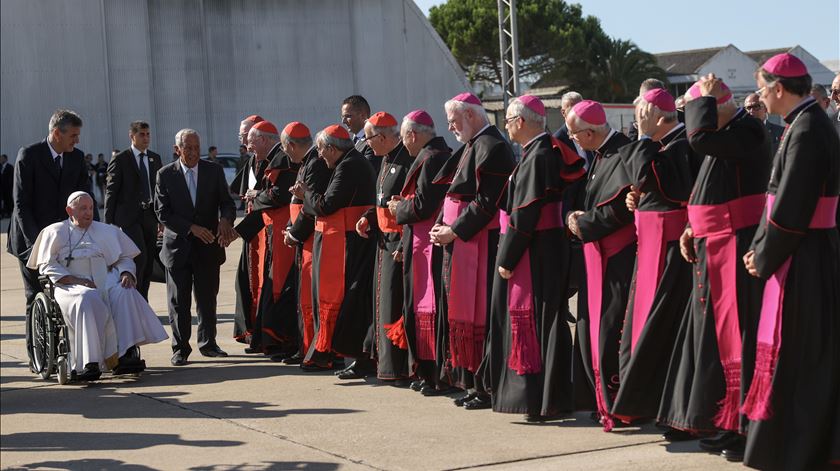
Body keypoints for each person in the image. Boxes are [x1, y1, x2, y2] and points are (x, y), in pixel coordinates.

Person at [657, 76, 769, 460]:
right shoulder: (727, 131)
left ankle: (738, 427)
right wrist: (692, 226)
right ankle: (721, 420)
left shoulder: (747, 129)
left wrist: (702, 99)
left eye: (696, 111)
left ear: (717, 106)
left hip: (735, 247)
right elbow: (709, 186)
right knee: (711, 340)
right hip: (711, 246)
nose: (692, 119)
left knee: (736, 336)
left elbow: (699, 141)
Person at [741, 53, 840, 471]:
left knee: (799, 355)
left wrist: (762, 255)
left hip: (804, 254)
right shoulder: (810, 122)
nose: (760, 96)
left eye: (762, 87)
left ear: (779, 89)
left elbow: (790, 209)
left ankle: (799, 450)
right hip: (810, 249)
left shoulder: (806, 129)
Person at [481, 95, 585, 421]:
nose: (506, 126)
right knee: (543, 323)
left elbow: (523, 216)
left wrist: (507, 258)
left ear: (521, 122)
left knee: (538, 324)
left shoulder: (539, 156)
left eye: (509, 120)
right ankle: (547, 399)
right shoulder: (536, 152)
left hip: (535, 249)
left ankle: (540, 401)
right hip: (541, 246)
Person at [612, 89, 702, 424]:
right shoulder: (663, 144)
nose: (638, 120)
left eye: (641, 114)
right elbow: (647, 181)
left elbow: (655, 177)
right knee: (641, 325)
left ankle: (665, 409)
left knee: (662, 330)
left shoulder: (682, 144)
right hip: (651, 247)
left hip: (672, 251)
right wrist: (638, 202)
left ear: (656, 115)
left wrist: (643, 136)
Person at [430, 92, 515, 410]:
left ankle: (485, 386)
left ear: (470, 115)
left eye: (453, 120)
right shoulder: (471, 144)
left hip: (481, 243)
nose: (450, 126)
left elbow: (487, 201)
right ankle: (471, 382)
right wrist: (442, 225)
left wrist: (454, 230)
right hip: (461, 243)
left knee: (480, 317)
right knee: (463, 314)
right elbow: (453, 193)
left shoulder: (493, 147)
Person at [27, 192, 167, 380]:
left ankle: (124, 354)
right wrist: (74, 280)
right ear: (70, 210)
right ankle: (88, 362)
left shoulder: (106, 231)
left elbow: (124, 257)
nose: (89, 212)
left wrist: (126, 272)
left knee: (125, 292)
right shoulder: (55, 231)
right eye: (83, 208)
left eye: (91, 208)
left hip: (105, 279)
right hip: (71, 284)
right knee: (88, 297)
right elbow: (47, 264)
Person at [7, 109, 97, 369]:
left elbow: (86, 200)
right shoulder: (30, 155)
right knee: (35, 295)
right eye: (73, 135)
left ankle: (69, 353)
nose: (76, 141)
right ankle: (37, 357)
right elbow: (21, 205)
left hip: (65, 240)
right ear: (57, 133)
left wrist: (92, 232)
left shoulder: (76, 158)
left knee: (65, 295)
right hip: (30, 240)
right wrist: (38, 244)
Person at [564, 100, 634, 431]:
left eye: (575, 134)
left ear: (590, 132)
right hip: (597, 254)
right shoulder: (601, 154)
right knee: (591, 325)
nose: (573, 139)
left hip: (618, 258)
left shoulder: (622, 154)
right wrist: (576, 217)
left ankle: (617, 401)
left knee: (610, 328)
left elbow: (620, 209)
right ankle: (596, 397)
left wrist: (583, 223)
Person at [292, 124, 376, 371]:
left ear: (331, 148)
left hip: (347, 241)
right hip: (344, 239)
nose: (319, 155)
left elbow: (327, 204)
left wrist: (306, 194)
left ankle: (340, 354)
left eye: (321, 149)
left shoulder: (349, 165)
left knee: (343, 299)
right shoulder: (349, 162)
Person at [155, 129, 237, 366]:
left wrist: (225, 220)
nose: (192, 153)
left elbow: (227, 203)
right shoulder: (165, 175)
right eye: (187, 148)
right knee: (179, 302)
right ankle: (180, 348)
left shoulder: (213, 171)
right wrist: (191, 228)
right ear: (177, 149)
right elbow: (162, 212)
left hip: (208, 246)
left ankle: (208, 344)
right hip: (178, 248)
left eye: (196, 148)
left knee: (207, 299)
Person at [388, 110, 452, 395]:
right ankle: (427, 372)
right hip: (421, 240)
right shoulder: (439, 153)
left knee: (428, 307)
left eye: (403, 138)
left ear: (413, 134)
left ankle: (434, 374)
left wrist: (397, 209)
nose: (403, 144)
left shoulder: (430, 158)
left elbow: (424, 205)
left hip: (428, 243)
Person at [353, 111, 413, 382]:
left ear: (385, 137)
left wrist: (402, 242)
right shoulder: (384, 159)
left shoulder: (406, 161)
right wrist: (368, 217)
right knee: (380, 303)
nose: (367, 144)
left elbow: (409, 205)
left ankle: (398, 366)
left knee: (393, 303)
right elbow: (380, 200)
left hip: (397, 243)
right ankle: (382, 363)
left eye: (369, 138)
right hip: (382, 243)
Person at [233, 120, 299, 358]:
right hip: (267, 231)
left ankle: (280, 340)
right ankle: (265, 338)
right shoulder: (260, 159)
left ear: (264, 139)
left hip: (281, 232)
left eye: (250, 140)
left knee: (278, 286)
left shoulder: (281, 159)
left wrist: (257, 195)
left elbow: (279, 195)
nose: (247, 146)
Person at [282, 121, 332, 365]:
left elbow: (310, 207)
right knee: (304, 297)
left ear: (291, 145)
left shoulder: (314, 165)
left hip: (311, 238)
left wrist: (294, 233)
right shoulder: (308, 163)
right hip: (304, 239)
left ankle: (312, 349)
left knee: (311, 298)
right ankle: (305, 348)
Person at [105, 121, 163, 299]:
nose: (146, 138)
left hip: (150, 216)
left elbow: (160, 190)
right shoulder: (121, 159)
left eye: (147, 134)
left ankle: (142, 299)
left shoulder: (154, 158)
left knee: (148, 260)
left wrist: (162, 218)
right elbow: (111, 190)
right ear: (132, 136)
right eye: (141, 134)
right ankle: (133, 298)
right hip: (129, 218)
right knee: (140, 257)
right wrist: (108, 223)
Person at [552, 91, 593, 170]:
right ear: (563, 113)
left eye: (581, 109)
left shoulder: (590, 133)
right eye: (573, 110)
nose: (578, 113)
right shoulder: (557, 141)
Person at [340, 95, 380, 174]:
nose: (343, 121)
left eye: (347, 116)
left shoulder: (372, 141)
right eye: (342, 117)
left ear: (363, 116)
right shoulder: (352, 142)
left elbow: (365, 172)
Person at [0, 154, 12, 218]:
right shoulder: (0, 167)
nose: (1, 160)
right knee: (2, 201)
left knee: (8, 200)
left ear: (5, 159)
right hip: (1, 188)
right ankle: (2, 214)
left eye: (2, 158)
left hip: (7, 187)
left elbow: (12, 177)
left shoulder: (10, 167)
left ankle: (8, 213)